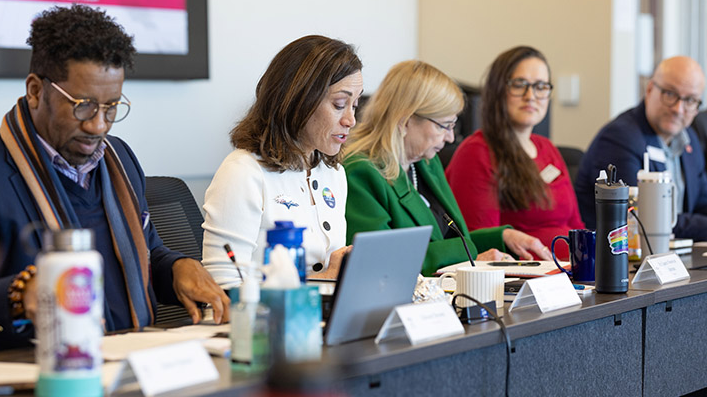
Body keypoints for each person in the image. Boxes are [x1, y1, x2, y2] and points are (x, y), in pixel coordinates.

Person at [0, 5, 229, 353]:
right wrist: (21, 292)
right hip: (36, 375)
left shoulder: (120, 160)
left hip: (134, 366)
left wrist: (177, 267)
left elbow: (147, 255)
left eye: (112, 107)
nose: (98, 125)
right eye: (83, 106)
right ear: (35, 91)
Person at [343, 60, 551, 277]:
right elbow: (381, 261)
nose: (451, 137)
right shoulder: (361, 172)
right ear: (404, 121)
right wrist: (468, 254)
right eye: (443, 126)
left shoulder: (426, 163)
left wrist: (503, 237)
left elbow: (449, 241)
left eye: (453, 126)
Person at [201, 35, 363, 288]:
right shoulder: (243, 172)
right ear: (299, 101)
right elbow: (223, 286)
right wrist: (325, 279)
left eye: (355, 105)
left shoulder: (333, 173)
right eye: (339, 104)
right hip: (266, 324)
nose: (350, 120)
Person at [445, 46, 584, 260]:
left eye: (540, 86)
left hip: (571, 276)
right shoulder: (477, 153)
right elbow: (481, 243)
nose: (531, 96)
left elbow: (576, 226)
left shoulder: (548, 149)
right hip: (520, 282)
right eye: (519, 85)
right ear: (498, 90)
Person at [575, 56, 707, 240]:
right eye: (670, 94)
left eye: (690, 100)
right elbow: (643, 218)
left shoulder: (689, 139)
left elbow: (702, 203)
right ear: (650, 89)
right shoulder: (621, 137)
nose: (678, 109)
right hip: (619, 257)